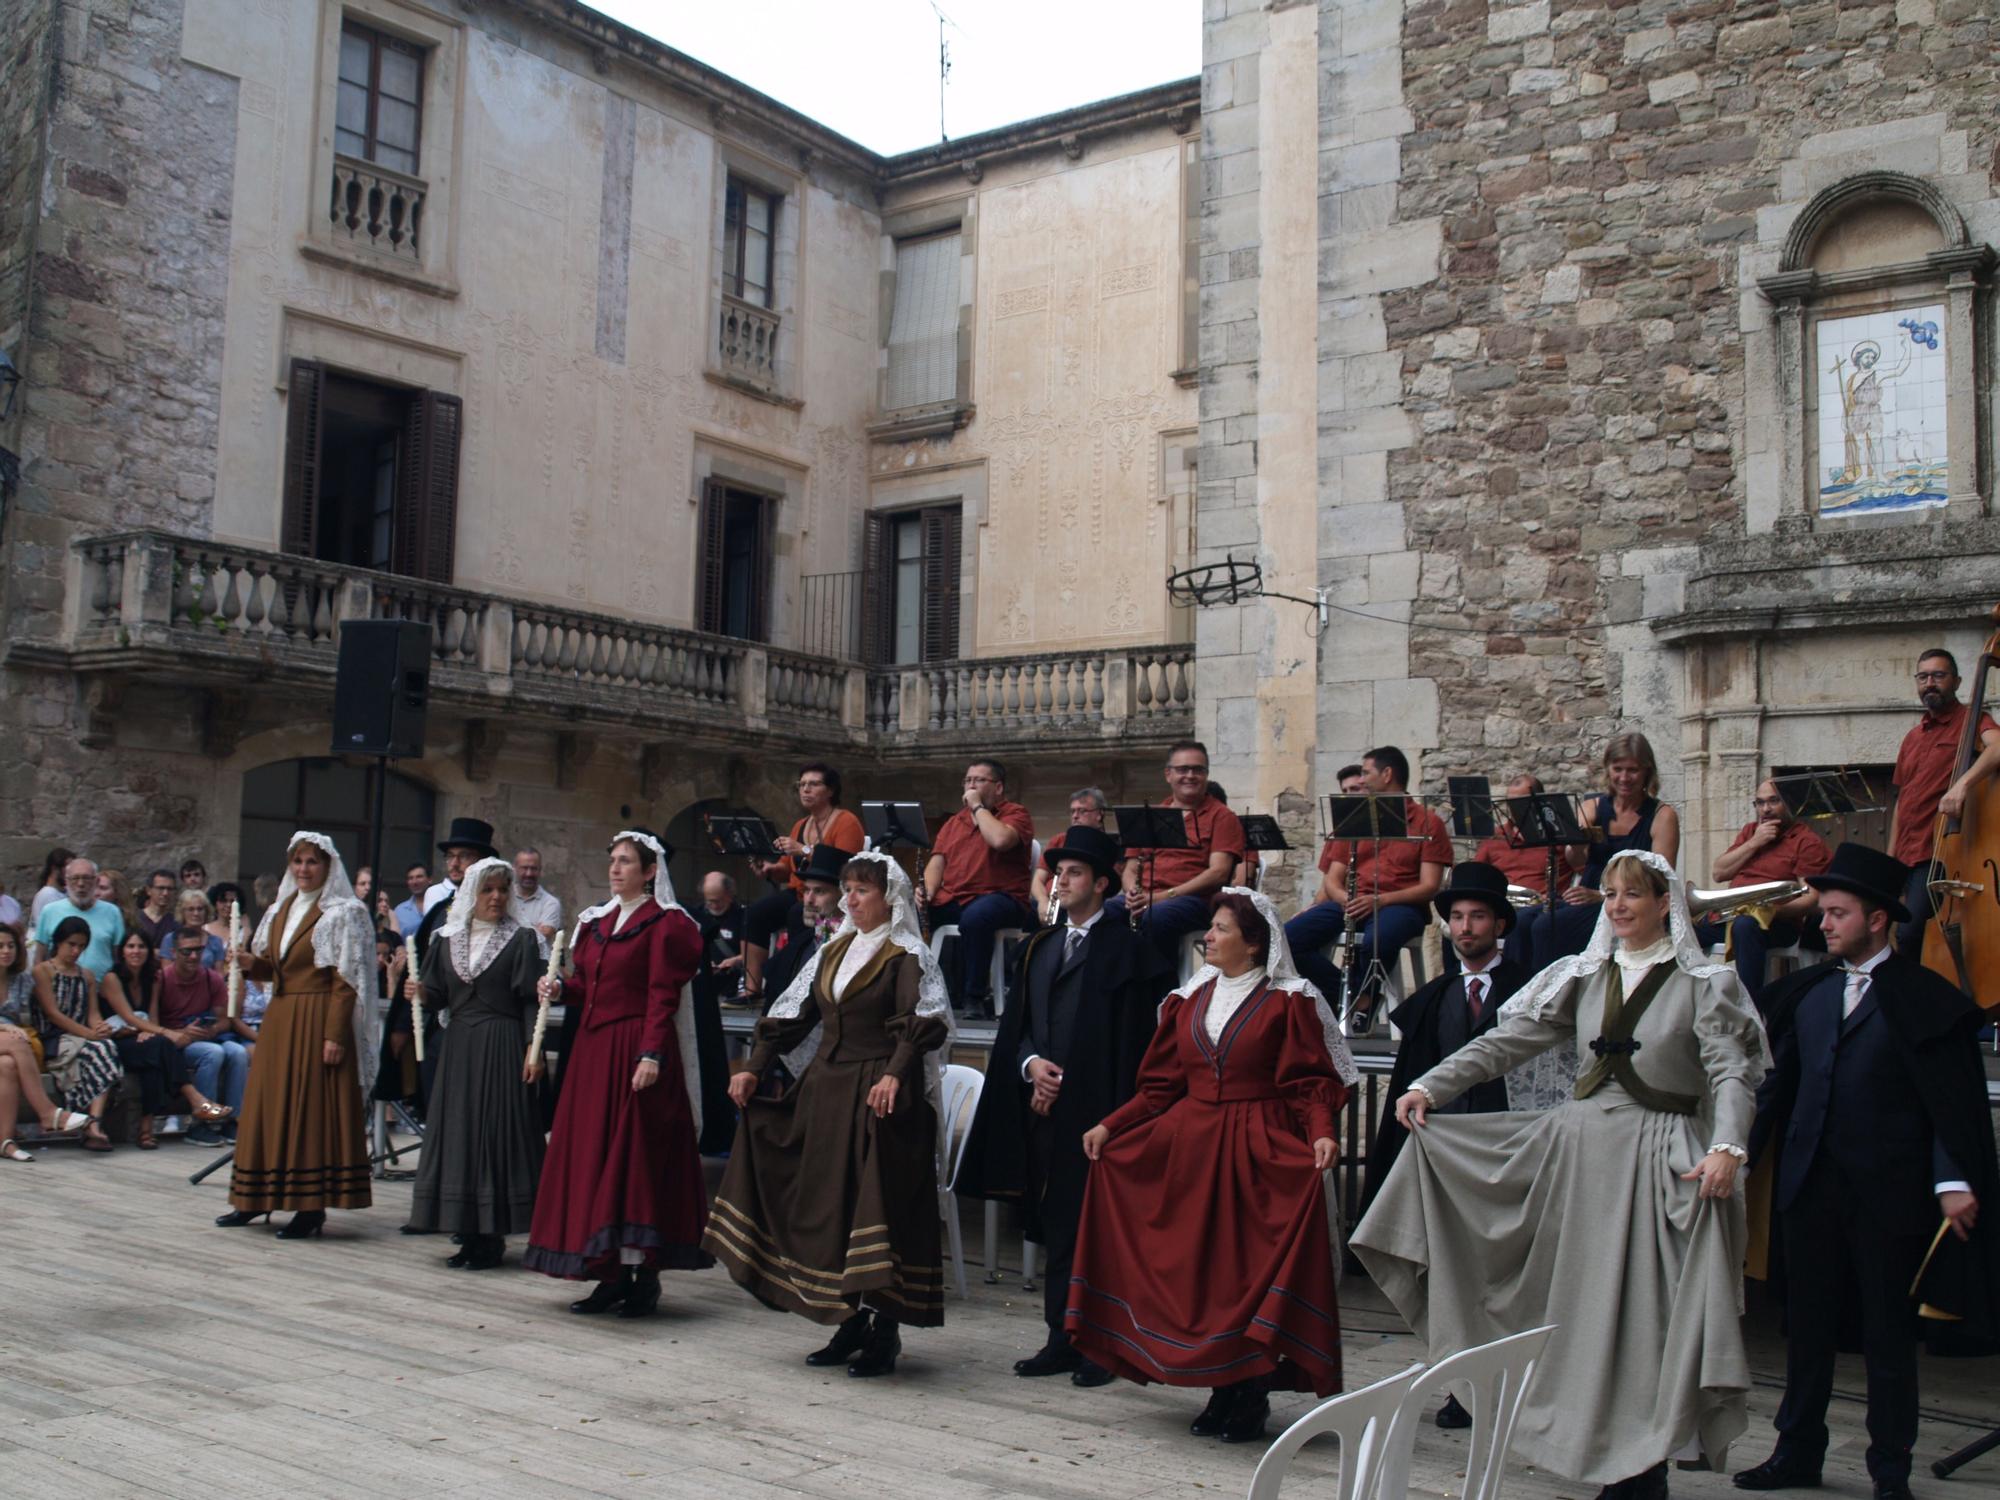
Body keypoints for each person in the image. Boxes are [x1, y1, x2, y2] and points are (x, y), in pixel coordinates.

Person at [1355, 850, 1768, 1500]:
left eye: (1633, 894)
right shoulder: (1583, 976)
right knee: (1581, 1314)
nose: (1620, 906)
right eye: (1609, 894)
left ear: (1666, 902)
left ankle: (1644, 1466)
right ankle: (1598, 1452)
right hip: (1580, 1157)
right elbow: (1508, 1041)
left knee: (1648, 1322)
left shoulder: (1702, 983)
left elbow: (1731, 1072)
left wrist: (1727, 1147)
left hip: (1661, 1161)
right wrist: (1433, 1083)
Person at [1734, 843, 1998, 1500]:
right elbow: (1777, 1089)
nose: (1823, 924)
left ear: (1878, 920)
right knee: (1808, 1333)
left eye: (1836, 913)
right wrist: (1738, 1153)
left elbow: (1951, 1103)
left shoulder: (1924, 1001)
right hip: (1810, 1189)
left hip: (1888, 1196)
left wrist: (1951, 1179)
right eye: (1824, 913)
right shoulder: (1812, 994)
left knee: (1887, 1338)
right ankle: (1796, 1452)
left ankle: (1889, 1470)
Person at [1065, 888, 1356, 1442]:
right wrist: (1113, 1125)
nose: (1209, 938)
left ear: (1252, 944)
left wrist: (1320, 1133)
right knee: (1206, 1273)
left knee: (1245, 1271)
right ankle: (1221, 1384)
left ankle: (1249, 1391)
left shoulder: (1288, 1000)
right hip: (1193, 1146)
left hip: (1259, 1151)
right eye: (1211, 928)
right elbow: (1160, 1088)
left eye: (1221, 930)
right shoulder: (1189, 1000)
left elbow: (1310, 1083)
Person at [706, 851, 953, 1376]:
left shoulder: (907, 954)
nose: (850, 899)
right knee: (829, 1201)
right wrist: (755, 1066)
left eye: (862, 890)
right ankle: (848, 1324)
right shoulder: (834, 951)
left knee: (874, 1206)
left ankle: (884, 1331)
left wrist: (894, 1073)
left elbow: (922, 1020)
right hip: (827, 1089)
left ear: (891, 898)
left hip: (882, 1097)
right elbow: (791, 1015)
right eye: (848, 889)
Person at [956, 826, 1169, 1385]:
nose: (1061, 881)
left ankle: (1104, 1342)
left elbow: (1136, 1044)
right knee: (1057, 1220)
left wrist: (1073, 1083)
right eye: (1056, 873)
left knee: (1101, 1224)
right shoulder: (1039, 946)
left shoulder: (1131, 952)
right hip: (1043, 1106)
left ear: (1101, 883)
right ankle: (1061, 1335)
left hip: (1101, 1109)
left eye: (1074, 873)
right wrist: (1032, 1069)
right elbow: (1018, 1028)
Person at [526, 830, 709, 1316]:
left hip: (635, 1051)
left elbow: (660, 996)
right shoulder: (595, 923)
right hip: (591, 1053)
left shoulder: (666, 925)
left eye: (626, 862)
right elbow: (587, 984)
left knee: (633, 1161)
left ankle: (642, 1278)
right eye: (612, 860)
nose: (615, 869)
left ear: (650, 872)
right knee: (593, 1156)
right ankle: (605, 1271)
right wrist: (561, 988)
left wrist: (651, 1055)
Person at [1360, 864, 1530, 1259]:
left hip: (1501, 1142)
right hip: (1444, 1140)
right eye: (1456, 917)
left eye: (1477, 916)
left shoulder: (1527, 990)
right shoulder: (1434, 997)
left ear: (1499, 925)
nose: (1465, 927)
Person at [217, 833, 378, 1239]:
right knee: (267, 1107)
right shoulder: (282, 909)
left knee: (310, 1111)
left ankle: (310, 1207)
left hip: (318, 1016)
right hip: (281, 1018)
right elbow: (274, 968)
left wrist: (335, 1034)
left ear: (328, 866)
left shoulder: (344, 912)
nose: (304, 869)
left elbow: (347, 978)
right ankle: (254, 1199)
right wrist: (248, 963)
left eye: (312, 862)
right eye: (298, 862)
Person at [406, 858, 550, 1271]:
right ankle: (465, 1230)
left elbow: (530, 1000)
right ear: (472, 893)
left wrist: (532, 1048)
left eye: (502, 890)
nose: (497, 897)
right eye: (488, 890)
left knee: (494, 1132)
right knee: (461, 1133)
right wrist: (416, 989)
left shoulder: (521, 939)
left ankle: (492, 1236)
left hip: (502, 1044)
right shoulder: (446, 939)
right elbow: (436, 994)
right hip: (459, 1047)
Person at [1285, 745, 1453, 1033]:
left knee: (1379, 940)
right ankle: (1347, 996)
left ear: (1387, 774)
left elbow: (1429, 886)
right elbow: (1333, 878)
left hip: (1400, 904)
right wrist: (1345, 899)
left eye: (1366, 772)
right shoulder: (1354, 816)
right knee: (1287, 939)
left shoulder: (1427, 822)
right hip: (1350, 901)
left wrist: (1381, 900)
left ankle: (1363, 999)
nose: (1361, 780)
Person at [1515, 731, 1681, 970]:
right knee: (1521, 922)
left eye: (1632, 770)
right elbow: (1576, 862)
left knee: (1546, 927)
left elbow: (1661, 878)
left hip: (1627, 901)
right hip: (1585, 894)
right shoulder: (1592, 807)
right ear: (1608, 769)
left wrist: (1605, 896)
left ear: (1647, 772)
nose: (1624, 778)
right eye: (1617, 769)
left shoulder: (1662, 816)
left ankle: (1550, 994)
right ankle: (1517, 992)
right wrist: (1578, 843)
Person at [378, 818, 498, 1115]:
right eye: (451, 856)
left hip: (485, 1031)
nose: (455, 864)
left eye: (464, 856)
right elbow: (419, 970)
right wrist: (403, 1025)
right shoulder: (440, 913)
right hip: (441, 1027)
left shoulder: (500, 914)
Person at [1887, 647, 2000, 958]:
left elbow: (1998, 748)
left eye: (1938, 675)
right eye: (1923, 677)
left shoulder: (1973, 720)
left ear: (1957, 681)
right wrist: (1891, 856)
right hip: (1906, 853)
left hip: (1939, 851)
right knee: (1880, 928)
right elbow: (1903, 798)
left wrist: (1962, 785)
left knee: (1910, 933)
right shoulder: (1912, 737)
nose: (1930, 683)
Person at [1691, 780, 1830, 1009]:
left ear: (1789, 803)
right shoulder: (1749, 832)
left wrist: (1771, 911)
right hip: (1731, 917)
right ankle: (1692, 1004)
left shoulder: (1806, 841)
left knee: (1745, 926)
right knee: (1680, 929)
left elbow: (1813, 898)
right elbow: (1719, 872)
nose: (1765, 809)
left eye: (1773, 801)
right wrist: (1755, 842)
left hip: (1778, 924)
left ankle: (1750, 1011)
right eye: (1760, 802)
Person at [920, 758, 1037, 1018]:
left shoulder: (1016, 813)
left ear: (998, 787)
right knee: (907, 911)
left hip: (1003, 898)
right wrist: (925, 892)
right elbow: (937, 863)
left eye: (979, 780)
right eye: (968, 780)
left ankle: (975, 996)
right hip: (955, 897)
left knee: (977, 916)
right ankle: (918, 992)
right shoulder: (954, 823)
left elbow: (1000, 840)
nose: (971, 785)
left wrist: (976, 807)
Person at [742, 762, 866, 1005]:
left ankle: (801, 982)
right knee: (754, 914)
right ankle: (752, 988)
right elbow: (787, 870)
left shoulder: (846, 821)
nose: (805, 789)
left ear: (830, 791)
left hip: (830, 895)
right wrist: (769, 869)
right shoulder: (801, 825)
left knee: (797, 913)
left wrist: (804, 850)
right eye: (802, 785)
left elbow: (845, 866)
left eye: (813, 784)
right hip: (799, 891)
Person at [1111, 741, 1247, 961]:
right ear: (1168, 774)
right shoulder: (1149, 815)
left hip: (1193, 902)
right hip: (1147, 899)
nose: (1190, 775)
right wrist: (1132, 896)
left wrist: (1161, 897)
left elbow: (1218, 873)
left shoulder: (1222, 816)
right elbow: (1131, 867)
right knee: (1102, 913)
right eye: (1183, 769)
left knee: (1156, 917)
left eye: (1198, 770)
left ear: (1206, 775)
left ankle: (1159, 986)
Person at [100, 930, 235, 1148]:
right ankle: (196, 1100)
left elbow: (152, 1015)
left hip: (144, 1039)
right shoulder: (111, 978)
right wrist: (166, 1032)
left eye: (141, 947)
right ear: (122, 951)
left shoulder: (152, 978)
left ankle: (146, 1132)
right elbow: (128, 1016)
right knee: (160, 1046)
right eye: (131, 946)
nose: (136, 951)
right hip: (117, 1040)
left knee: (154, 1058)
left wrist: (152, 1031)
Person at [0, 922, 94, 1162]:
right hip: (6, 1035)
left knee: (8, 1065)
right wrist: (5, 1026)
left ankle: (5, 1141)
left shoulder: (19, 979)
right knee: (17, 1043)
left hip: (5, 1040)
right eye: (0, 946)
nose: (6, 950)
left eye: (11, 945)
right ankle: (48, 1112)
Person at [29, 916, 123, 1151]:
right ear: (59, 942)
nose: (75, 950)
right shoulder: (43, 971)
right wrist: (89, 1035)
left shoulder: (86, 975)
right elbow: (53, 1014)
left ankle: (94, 1121)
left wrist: (100, 1027)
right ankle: (92, 1123)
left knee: (107, 1046)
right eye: (71, 944)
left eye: (81, 946)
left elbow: (92, 1013)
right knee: (99, 1050)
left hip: (81, 1038)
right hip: (54, 1039)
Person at [157, 924, 250, 1146]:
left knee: (238, 1052)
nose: (193, 956)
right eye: (186, 951)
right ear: (173, 953)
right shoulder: (162, 979)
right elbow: (154, 1023)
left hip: (206, 1036)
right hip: (176, 1040)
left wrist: (212, 1029)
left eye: (198, 950)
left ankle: (232, 1120)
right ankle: (201, 1123)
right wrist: (182, 1032)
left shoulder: (212, 979)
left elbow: (225, 1021)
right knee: (213, 1053)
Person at [760, 846, 850, 1018]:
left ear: (843, 895)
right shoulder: (799, 946)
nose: (809, 899)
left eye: (819, 891)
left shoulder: (855, 947)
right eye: (806, 890)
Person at [1474, 774, 1577, 896]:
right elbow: (1476, 872)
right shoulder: (1496, 836)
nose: (1513, 807)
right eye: (1510, 802)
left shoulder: (1559, 834)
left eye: (1520, 801)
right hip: (1503, 903)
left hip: (1543, 906)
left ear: (1539, 800)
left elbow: (1583, 870)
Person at [31, 856, 124, 977]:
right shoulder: (50, 911)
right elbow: (39, 956)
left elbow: (118, 955)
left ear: (96, 881)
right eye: (75, 878)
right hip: (59, 988)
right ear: (66, 881)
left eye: (86, 878)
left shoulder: (112, 912)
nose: (81, 884)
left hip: (102, 989)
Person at [1031, 787, 1110, 912]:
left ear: (1099, 814)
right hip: (1050, 901)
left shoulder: (1107, 844)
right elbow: (1038, 880)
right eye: (1072, 811)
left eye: (1082, 811)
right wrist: (1042, 901)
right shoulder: (1058, 839)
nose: (1075, 816)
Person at [696, 873, 747, 1007]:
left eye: (718, 901)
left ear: (730, 895)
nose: (714, 905)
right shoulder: (696, 915)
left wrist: (735, 960)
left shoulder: (744, 916)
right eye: (709, 901)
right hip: (704, 984)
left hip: (734, 989)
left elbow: (755, 954)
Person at [512, 847, 563, 939]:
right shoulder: (505, 897)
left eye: (533, 868)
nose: (529, 874)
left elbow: (544, 935)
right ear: (514, 869)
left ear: (540, 870)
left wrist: (509, 927)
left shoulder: (550, 903)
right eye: (524, 868)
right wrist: (534, 929)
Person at [172, 889, 225, 969]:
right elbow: (167, 974)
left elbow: (219, 974)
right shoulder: (170, 939)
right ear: (182, 912)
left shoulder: (215, 941)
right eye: (191, 909)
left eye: (200, 909)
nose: (196, 913)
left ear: (206, 912)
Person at [29, 848, 76, 925]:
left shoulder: (64, 892)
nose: (73, 873)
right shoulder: (48, 894)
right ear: (55, 869)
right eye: (68, 868)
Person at [134, 869, 178, 948]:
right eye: (161, 888)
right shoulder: (135, 920)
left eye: (170, 889)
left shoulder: (177, 923)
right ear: (148, 890)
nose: (165, 893)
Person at [394, 862, 429, 939]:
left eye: (419, 877)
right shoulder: (399, 911)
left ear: (429, 879)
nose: (415, 882)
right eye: (410, 878)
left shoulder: (439, 906)